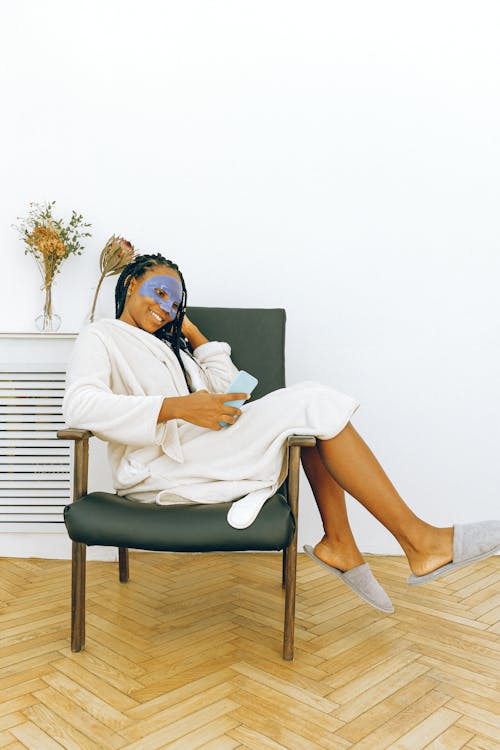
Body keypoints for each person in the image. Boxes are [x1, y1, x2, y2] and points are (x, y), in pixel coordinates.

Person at [63, 253, 500, 613]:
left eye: (176, 303)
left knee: (310, 416)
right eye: (158, 291)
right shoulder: (101, 337)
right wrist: (177, 408)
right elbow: (79, 405)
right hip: (158, 468)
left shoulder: (173, 348)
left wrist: (193, 335)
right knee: (311, 400)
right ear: (128, 284)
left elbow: (232, 391)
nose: (166, 306)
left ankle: (343, 544)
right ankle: (420, 542)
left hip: (203, 453)